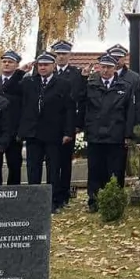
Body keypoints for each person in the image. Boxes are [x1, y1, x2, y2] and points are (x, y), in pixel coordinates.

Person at [18, 52, 75, 212]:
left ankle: (53, 202)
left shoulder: (63, 84)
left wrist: (68, 132)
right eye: (40, 65)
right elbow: (10, 91)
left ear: (53, 66)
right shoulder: (29, 82)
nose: (42, 68)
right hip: (33, 133)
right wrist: (21, 72)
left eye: (46, 65)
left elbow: (69, 109)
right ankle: (34, 202)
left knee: (54, 169)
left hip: (54, 134)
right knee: (33, 169)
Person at [81, 54, 135, 211]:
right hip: (95, 135)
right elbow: (79, 100)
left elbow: (129, 112)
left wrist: (128, 135)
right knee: (95, 170)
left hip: (115, 135)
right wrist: (82, 79)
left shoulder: (124, 86)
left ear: (114, 68)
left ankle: (115, 200)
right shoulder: (90, 84)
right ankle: (94, 200)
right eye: (102, 67)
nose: (105, 70)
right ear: (98, 67)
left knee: (116, 170)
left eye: (109, 67)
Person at [51, 40, 85, 204]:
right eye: (58, 54)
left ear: (69, 55)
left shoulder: (76, 74)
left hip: (68, 123)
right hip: (51, 125)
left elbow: (78, 101)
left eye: (64, 54)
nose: (61, 57)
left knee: (65, 162)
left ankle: (63, 194)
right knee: (52, 162)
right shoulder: (50, 73)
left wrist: (76, 125)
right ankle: (53, 193)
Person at [0, 50, 27, 185]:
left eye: (10, 62)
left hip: (14, 131)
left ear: (17, 65)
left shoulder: (22, 81)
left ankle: (14, 194)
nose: (6, 64)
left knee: (14, 165)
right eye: (4, 61)